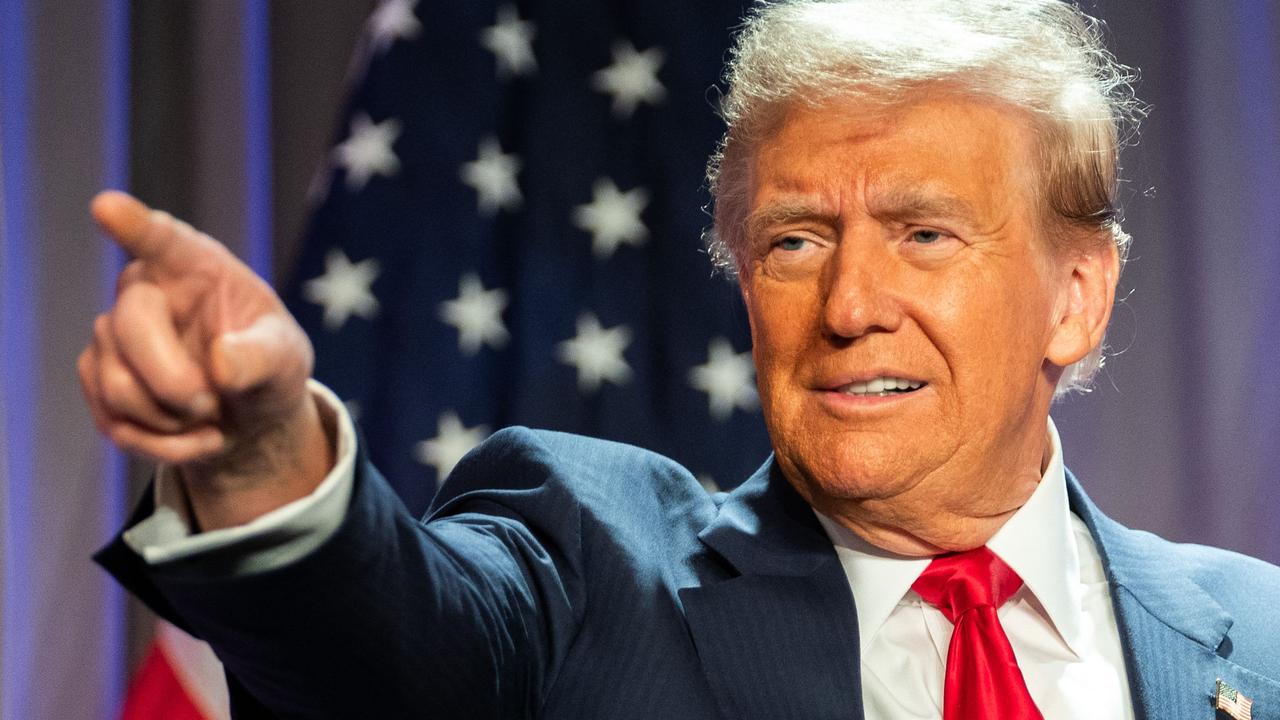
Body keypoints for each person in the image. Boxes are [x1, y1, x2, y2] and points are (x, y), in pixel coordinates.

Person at [86, 1, 1280, 718]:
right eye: (794, 241)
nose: (849, 302)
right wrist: (261, 457)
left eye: (923, 235)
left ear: (1074, 297)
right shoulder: (590, 575)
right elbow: (390, 650)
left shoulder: (1259, 643)